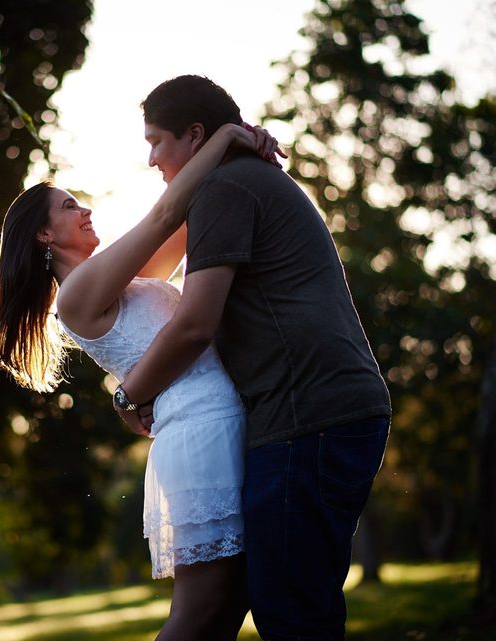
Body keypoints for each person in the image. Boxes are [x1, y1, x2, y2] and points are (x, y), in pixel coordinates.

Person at [113, 75, 392, 641]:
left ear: (194, 136)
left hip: (306, 417)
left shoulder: (227, 189)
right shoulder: (237, 182)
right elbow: (144, 269)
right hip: (321, 411)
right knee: (297, 603)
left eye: (157, 141)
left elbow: (194, 325)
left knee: (291, 613)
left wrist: (129, 392)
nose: (150, 159)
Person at [0, 122, 284, 641]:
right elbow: (166, 213)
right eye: (70, 207)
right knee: (199, 612)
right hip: (200, 435)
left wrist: (236, 157)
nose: (86, 211)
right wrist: (226, 136)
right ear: (44, 235)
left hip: (221, 424)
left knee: (230, 605)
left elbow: (187, 221)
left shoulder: (123, 278)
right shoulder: (76, 296)